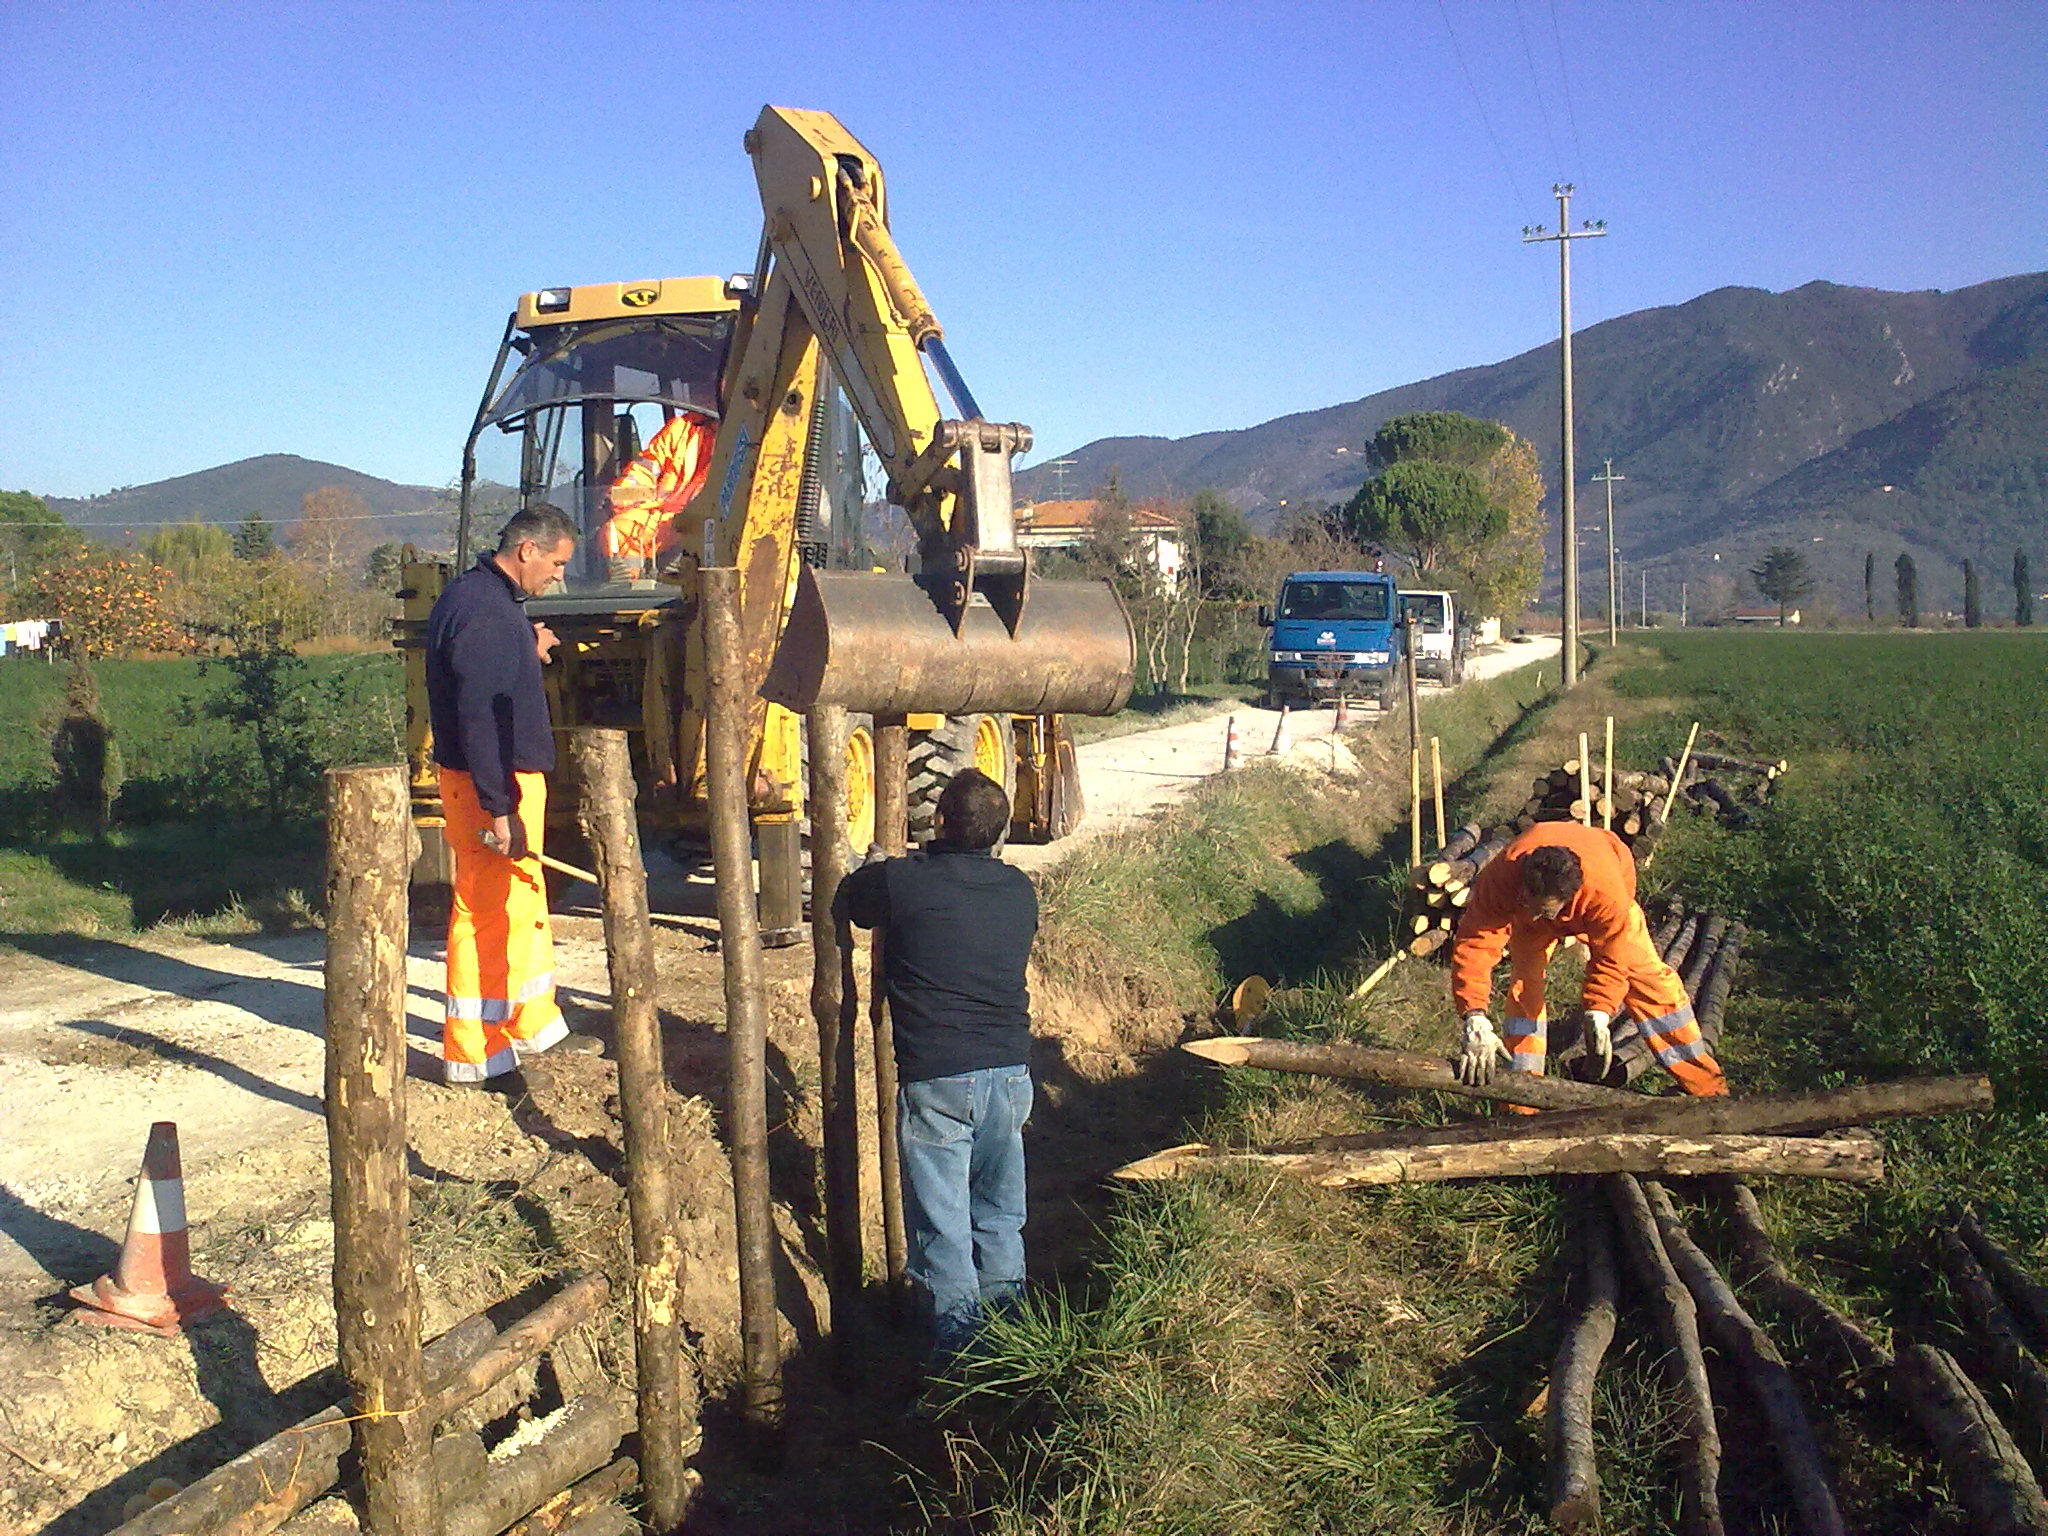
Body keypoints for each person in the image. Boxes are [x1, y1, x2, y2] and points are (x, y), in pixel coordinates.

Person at [842, 769, 1038, 1357]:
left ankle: (962, 1361)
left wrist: (885, 861)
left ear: (939, 822)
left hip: (939, 1083)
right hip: (1010, 1077)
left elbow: (853, 900)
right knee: (1000, 1216)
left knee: (944, 1234)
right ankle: (1011, 1344)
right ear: (1001, 833)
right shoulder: (1019, 890)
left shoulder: (906, 883)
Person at [424, 504, 597, 1085]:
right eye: (556, 563)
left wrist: (526, 647)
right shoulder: (487, 614)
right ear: (527, 550)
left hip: (496, 781)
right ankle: (476, 1052)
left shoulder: (483, 603)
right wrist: (499, 808)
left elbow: (487, 676)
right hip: (490, 785)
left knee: (520, 897)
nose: (558, 576)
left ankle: (532, 1022)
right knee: (484, 911)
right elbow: (480, 715)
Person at [1449, 819, 1727, 1098]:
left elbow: (1611, 958)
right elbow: (1475, 943)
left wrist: (1599, 1011)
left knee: (1651, 984)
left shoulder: (1606, 895)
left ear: (1570, 899)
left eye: (1544, 911)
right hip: (1538, 902)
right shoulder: (1503, 875)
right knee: (1524, 989)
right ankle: (1522, 1097)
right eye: (1526, 904)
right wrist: (1474, 1015)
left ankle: (1706, 1088)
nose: (1533, 916)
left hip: (1607, 894)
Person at [600, 411, 715, 579]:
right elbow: (646, 469)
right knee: (619, 529)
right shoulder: (682, 428)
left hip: (711, 515)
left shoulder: (743, 428)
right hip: (667, 513)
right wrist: (620, 494)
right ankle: (629, 590)